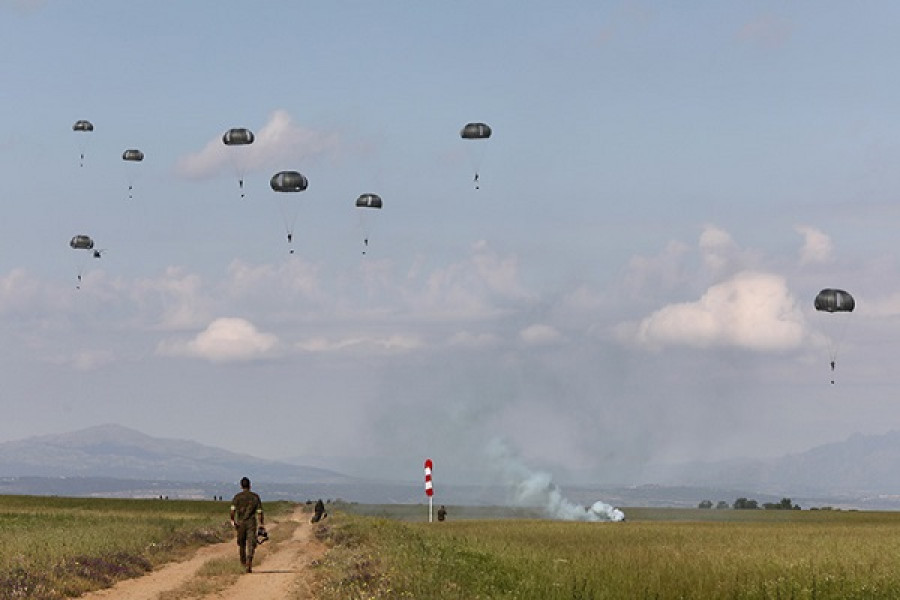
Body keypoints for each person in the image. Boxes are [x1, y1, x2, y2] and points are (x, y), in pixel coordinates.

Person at [230, 476, 264, 573]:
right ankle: (249, 560)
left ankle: (243, 563)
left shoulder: (237, 497)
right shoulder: (255, 497)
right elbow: (259, 512)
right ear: (250, 485)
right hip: (251, 522)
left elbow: (232, 511)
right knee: (251, 542)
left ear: (241, 486)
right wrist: (261, 524)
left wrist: (232, 521)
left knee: (241, 544)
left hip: (240, 523)